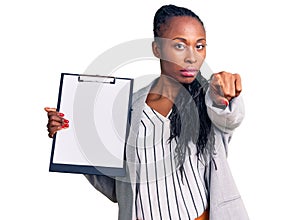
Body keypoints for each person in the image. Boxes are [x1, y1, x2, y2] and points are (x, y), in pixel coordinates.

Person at [45, 4, 248, 220]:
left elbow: (229, 118)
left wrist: (224, 97)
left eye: (199, 46)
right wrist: (72, 137)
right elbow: (116, 189)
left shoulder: (209, 97)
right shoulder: (126, 107)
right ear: (157, 49)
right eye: (180, 46)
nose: (192, 57)